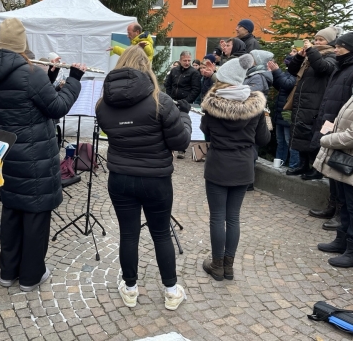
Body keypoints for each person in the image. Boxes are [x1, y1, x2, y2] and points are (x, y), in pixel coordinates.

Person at [0, 18, 83, 292]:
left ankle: (7, 272)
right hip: (35, 154)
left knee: (13, 212)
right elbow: (56, 107)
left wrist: (49, 77)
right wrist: (74, 80)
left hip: (11, 153)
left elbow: (25, 102)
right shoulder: (31, 73)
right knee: (36, 215)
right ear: (23, 44)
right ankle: (30, 276)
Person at [95, 45, 192, 311]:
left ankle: (129, 289)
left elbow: (114, 133)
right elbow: (181, 141)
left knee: (128, 234)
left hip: (120, 177)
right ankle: (172, 291)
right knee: (161, 234)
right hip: (155, 179)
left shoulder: (103, 105)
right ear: (145, 68)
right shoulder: (160, 101)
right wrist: (184, 115)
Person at [201, 55, 271, 281]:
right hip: (243, 167)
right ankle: (228, 266)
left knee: (217, 217)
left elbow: (207, 133)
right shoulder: (255, 107)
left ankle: (217, 265)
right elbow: (263, 140)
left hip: (218, 165)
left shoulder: (211, 106)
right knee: (233, 218)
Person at [308, 32, 353, 230]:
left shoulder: (350, 69)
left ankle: (340, 214)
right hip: (332, 121)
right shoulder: (341, 66)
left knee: (341, 168)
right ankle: (333, 206)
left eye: (340, 46)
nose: (335, 49)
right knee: (332, 168)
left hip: (343, 127)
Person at [285, 27, 337, 179]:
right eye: (316, 39)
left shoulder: (332, 56)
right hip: (304, 101)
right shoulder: (311, 56)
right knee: (301, 133)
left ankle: (316, 169)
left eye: (321, 40)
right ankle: (303, 165)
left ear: (330, 42)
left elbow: (322, 68)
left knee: (314, 135)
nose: (317, 42)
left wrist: (311, 51)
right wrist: (300, 57)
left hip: (317, 102)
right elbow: (292, 71)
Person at [314, 93, 353, 268]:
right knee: (345, 204)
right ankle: (342, 241)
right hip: (345, 162)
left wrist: (326, 139)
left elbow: (350, 137)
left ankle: (351, 251)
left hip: (349, 159)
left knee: (352, 208)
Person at [164, 50, 201, 159]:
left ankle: (182, 149)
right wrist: (169, 97)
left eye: (189, 60)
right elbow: (168, 84)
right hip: (173, 101)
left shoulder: (194, 73)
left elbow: (196, 89)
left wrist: (187, 101)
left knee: (183, 125)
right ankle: (170, 147)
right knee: (170, 124)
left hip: (185, 103)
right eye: (185, 60)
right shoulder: (174, 71)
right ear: (180, 60)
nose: (187, 62)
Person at [267, 59, 300, 170]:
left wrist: (276, 71)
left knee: (289, 141)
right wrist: (273, 73)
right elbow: (280, 86)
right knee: (280, 141)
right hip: (281, 112)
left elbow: (287, 85)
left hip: (288, 113)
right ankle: (278, 163)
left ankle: (293, 166)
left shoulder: (298, 73)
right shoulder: (287, 73)